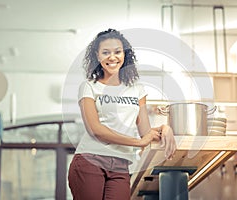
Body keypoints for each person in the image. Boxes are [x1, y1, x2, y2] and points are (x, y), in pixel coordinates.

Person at [68, 28, 176, 200]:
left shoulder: (137, 90)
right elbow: (95, 129)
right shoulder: (89, 86)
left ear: (124, 55)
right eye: (106, 52)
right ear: (97, 56)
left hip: (120, 166)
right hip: (90, 160)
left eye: (117, 52)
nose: (112, 57)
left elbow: (145, 132)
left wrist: (165, 128)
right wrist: (137, 142)